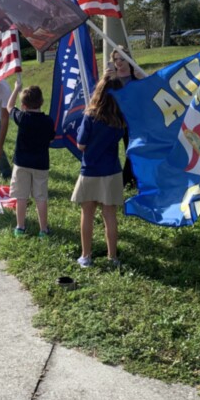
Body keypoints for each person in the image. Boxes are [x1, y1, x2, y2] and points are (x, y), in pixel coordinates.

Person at [72, 74, 125, 268]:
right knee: (109, 216)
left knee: (87, 214)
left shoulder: (90, 115)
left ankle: (86, 256)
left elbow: (81, 144)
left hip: (90, 171)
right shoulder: (120, 119)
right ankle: (112, 258)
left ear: (99, 92)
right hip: (112, 171)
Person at [6, 81, 55, 238]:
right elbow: (51, 139)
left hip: (21, 163)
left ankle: (20, 227)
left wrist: (15, 89)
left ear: (23, 104)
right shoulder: (48, 121)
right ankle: (44, 230)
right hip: (41, 164)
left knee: (21, 197)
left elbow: (9, 107)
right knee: (41, 198)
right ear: (41, 102)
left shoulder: (22, 117)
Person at [105, 48, 144, 189]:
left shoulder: (136, 75)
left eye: (122, 59)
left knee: (131, 150)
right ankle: (113, 179)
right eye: (116, 59)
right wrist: (104, 79)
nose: (119, 62)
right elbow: (101, 96)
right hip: (113, 119)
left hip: (132, 120)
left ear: (129, 60)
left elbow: (150, 92)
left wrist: (144, 79)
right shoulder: (111, 78)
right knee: (109, 149)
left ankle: (126, 180)